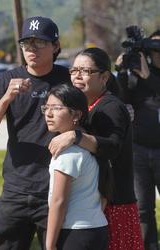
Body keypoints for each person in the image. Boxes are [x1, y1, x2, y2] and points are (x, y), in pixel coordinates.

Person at [0, 16, 70, 250]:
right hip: (15, 189)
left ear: (56, 46)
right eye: (26, 43)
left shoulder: (68, 79)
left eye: (39, 43)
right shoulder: (6, 79)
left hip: (56, 188)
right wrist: (7, 97)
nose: (32, 49)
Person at [48, 47, 144, 250]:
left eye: (86, 71)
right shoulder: (89, 106)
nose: (77, 76)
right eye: (74, 71)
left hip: (115, 206)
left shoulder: (110, 107)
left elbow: (112, 147)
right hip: (96, 206)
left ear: (104, 77)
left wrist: (76, 136)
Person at [44, 85, 108, 250]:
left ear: (77, 114)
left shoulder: (67, 153)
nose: (48, 114)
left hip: (75, 233)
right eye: (46, 107)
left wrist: (50, 245)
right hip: (96, 228)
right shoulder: (90, 144)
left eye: (57, 108)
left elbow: (59, 201)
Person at [116, 30, 160, 250]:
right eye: (154, 48)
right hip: (139, 149)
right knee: (143, 208)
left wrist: (149, 78)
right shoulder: (137, 73)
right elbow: (122, 99)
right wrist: (121, 72)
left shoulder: (148, 75)